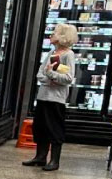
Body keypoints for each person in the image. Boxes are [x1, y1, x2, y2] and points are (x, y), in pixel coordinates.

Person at [23, 23, 77, 171]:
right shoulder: (51, 53)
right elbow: (40, 73)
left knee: (54, 128)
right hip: (43, 96)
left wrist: (51, 75)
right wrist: (49, 78)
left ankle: (54, 160)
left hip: (56, 98)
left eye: (54, 33)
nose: (51, 35)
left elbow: (68, 78)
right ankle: (40, 157)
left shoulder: (68, 54)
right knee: (40, 127)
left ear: (63, 37)